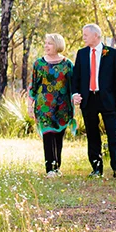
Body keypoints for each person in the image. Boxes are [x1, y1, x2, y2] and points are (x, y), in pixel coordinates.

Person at [70, 23, 116, 178]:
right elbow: (76, 78)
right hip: (89, 99)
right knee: (93, 135)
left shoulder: (112, 53)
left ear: (96, 36)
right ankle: (96, 168)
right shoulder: (81, 54)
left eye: (85, 35)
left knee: (112, 134)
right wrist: (75, 94)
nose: (83, 37)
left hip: (108, 99)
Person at [27, 33, 75, 176]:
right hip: (44, 107)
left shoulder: (67, 64)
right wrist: (30, 105)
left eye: (50, 43)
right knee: (47, 136)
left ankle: (56, 167)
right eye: (46, 43)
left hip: (63, 107)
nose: (46, 46)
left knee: (59, 137)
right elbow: (33, 86)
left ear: (58, 45)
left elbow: (73, 87)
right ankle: (50, 169)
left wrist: (75, 104)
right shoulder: (39, 64)